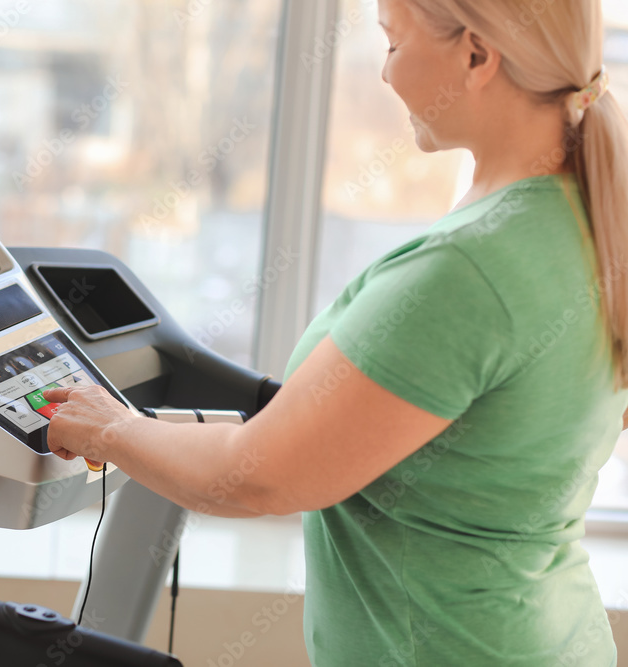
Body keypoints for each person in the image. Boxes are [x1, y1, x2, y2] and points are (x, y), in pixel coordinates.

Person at [43, 0, 628, 663]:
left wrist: (108, 429)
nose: (384, 76)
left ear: (475, 55)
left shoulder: (470, 267)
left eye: (392, 45)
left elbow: (254, 476)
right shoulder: (585, 216)